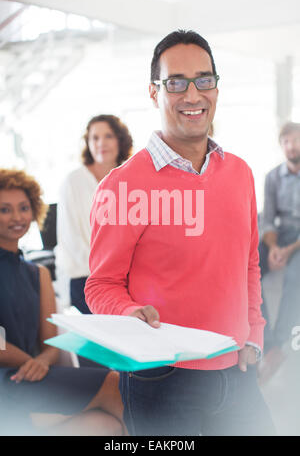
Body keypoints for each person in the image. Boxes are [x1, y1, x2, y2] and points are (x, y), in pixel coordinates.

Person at [84, 29, 275, 436]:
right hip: (162, 380)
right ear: (154, 93)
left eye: (204, 80)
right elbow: (100, 285)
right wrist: (128, 312)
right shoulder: (123, 185)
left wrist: (254, 332)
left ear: (217, 89)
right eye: (176, 83)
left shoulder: (239, 172)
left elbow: (249, 262)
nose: (192, 95)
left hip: (237, 372)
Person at [0, 168, 126, 436]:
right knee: (115, 384)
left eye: (23, 208)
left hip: (32, 375)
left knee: (107, 427)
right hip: (10, 379)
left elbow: (50, 343)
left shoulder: (39, 274)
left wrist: (43, 361)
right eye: (5, 209)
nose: (17, 217)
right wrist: (32, 362)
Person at [55, 114, 133, 314]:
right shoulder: (73, 182)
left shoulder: (132, 178)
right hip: (85, 278)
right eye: (94, 138)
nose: (101, 143)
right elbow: (71, 240)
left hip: (126, 278)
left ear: (120, 140)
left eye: (108, 136)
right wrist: (107, 271)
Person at [258, 122, 300, 384]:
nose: (291, 146)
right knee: (248, 265)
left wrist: (289, 250)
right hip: (279, 236)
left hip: (297, 240)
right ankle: (267, 341)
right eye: (286, 141)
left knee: (294, 276)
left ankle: (283, 339)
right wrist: (273, 248)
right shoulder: (272, 177)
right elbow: (267, 220)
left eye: (295, 141)